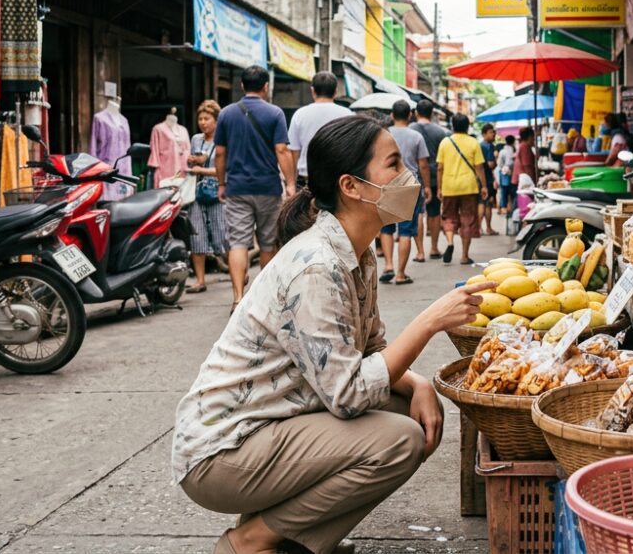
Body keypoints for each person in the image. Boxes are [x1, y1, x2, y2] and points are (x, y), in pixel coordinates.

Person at [173, 115, 495, 554]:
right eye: (393, 164)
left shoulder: (357, 254)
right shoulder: (316, 266)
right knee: (400, 440)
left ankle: (292, 538)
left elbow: (372, 351)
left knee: (406, 405)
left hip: (275, 425)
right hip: (224, 452)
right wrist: (429, 322)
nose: (408, 177)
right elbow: (347, 394)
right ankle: (252, 541)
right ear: (352, 186)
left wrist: (418, 383)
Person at [215, 65, 298, 308]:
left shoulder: (227, 114)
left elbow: (220, 153)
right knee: (268, 242)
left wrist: (221, 183)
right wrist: (291, 183)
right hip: (268, 187)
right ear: (265, 86)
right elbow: (281, 150)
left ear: (242, 86)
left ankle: (238, 298)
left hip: (237, 188)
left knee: (238, 243)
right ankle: (263, 299)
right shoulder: (275, 113)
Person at [378, 100, 430, 285]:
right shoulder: (416, 136)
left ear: (392, 115)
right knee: (406, 230)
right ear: (410, 115)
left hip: (386, 184)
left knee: (386, 228)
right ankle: (400, 274)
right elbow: (423, 164)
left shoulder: (383, 134)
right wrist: (427, 187)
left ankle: (389, 265)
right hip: (410, 185)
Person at [186, 100, 229, 294]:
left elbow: (226, 169)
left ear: (216, 121)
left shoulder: (224, 139)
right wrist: (192, 162)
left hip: (218, 192)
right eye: (200, 119)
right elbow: (192, 163)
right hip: (197, 193)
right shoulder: (196, 139)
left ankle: (237, 269)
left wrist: (203, 169)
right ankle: (200, 280)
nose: (203, 122)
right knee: (197, 236)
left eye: (207, 119)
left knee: (223, 235)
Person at [436, 113, 488, 265]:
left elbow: (440, 168)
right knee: (467, 220)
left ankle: (450, 243)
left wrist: (439, 187)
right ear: (467, 126)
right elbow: (479, 168)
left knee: (449, 217)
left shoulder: (445, 143)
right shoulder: (473, 142)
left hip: (449, 186)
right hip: (469, 186)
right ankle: (464, 255)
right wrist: (484, 186)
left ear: (453, 126)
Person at [287, 71, 353, 181]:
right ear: (336, 91)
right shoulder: (347, 115)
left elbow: (294, 150)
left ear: (313, 91)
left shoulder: (300, 114)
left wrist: (292, 181)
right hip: (337, 178)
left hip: (308, 178)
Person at [410, 101, 450, 259]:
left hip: (413, 177)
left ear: (416, 112)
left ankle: (420, 251)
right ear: (432, 113)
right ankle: (434, 248)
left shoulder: (410, 130)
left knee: (418, 214)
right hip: (434, 177)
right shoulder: (440, 132)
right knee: (434, 213)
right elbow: (441, 159)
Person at [477, 123, 498, 236]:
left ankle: (480, 228)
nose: (494, 134)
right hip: (487, 179)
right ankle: (486, 228)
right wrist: (495, 162)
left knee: (482, 202)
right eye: (491, 132)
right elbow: (490, 164)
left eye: (494, 132)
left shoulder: (480, 145)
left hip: (480, 178)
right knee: (486, 203)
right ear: (484, 134)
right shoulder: (489, 146)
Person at [497, 135, 516, 217]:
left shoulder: (502, 151)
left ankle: (504, 208)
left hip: (504, 174)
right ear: (513, 141)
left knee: (504, 192)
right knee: (512, 193)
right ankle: (511, 209)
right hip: (512, 174)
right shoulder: (514, 151)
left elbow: (499, 164)